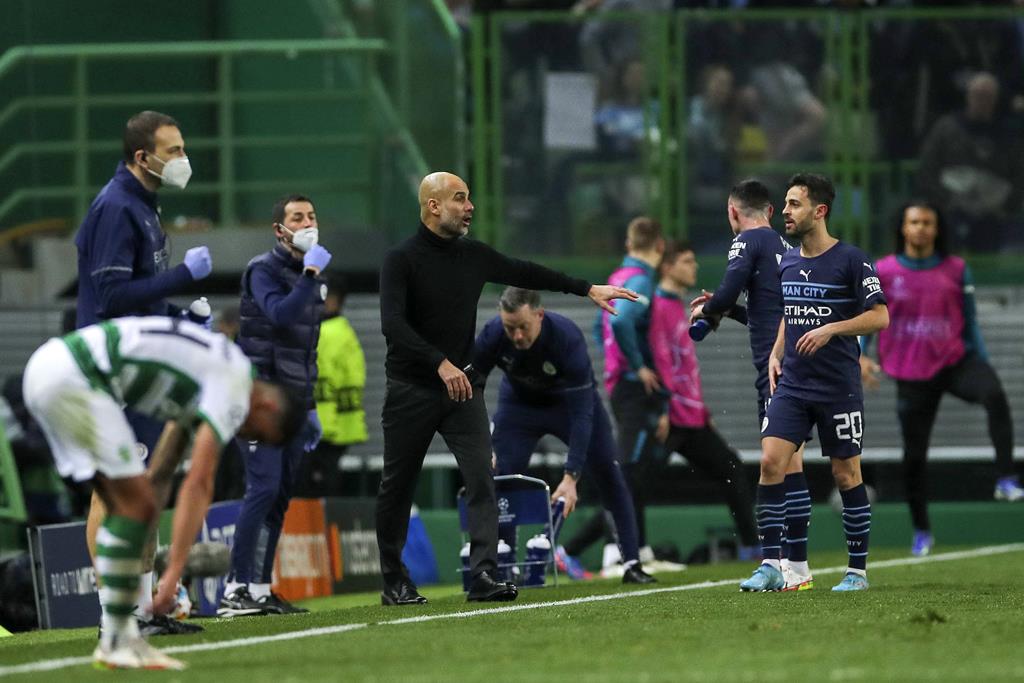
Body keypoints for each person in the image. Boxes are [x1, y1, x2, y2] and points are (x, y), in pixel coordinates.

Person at [377, 171, 636, 605]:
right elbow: (392, 325)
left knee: (484, 481)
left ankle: (482, 576)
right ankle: (394, 582)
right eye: (460, 198)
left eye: (469, 198)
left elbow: (526, 271)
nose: (470, 206)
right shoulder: (400, 260)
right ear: (433, 205)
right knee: (397, 486)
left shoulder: (473, 256)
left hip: (462, 393)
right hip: (411, 390)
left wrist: (586, 288)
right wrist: (439, 364)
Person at [22, 316, 306, 670]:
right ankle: (116, 635)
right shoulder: (234, 387)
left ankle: (121, 631)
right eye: (260, 433)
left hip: (55, 370)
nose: (248, 435)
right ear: (270, 407)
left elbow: (162, 474)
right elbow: (199, 483)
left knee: (130, 502)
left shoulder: (213, 374)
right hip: (74, 378)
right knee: (131, 504)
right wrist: (173, 576)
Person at [74, 109, 213, 635]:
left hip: (139, 364)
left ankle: (146, 607)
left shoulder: (142, 205)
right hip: (111, 367)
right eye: (173, 150)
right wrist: (180, 276)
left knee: (146, 485)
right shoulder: (115, 207)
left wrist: (179, 315)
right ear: (142, 157)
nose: (183, 159)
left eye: (181, 148)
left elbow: (133, 295)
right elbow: (109, 295)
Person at [738, 173, 888, 593]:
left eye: (793, 204)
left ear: (819, 211)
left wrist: (833, 329)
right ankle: (771, 564)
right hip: (794, 385)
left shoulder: (852, 260)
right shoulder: (787, 261)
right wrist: (775, 351)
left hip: (838, 386)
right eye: (785, 204)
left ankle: (856, 571)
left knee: (845, 473)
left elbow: (880, 316)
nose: (784, 212)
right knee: (770, 461)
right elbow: (791, 310)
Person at [860, 200, 1023, 557]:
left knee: (994, 395)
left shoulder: (956, 269)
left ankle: (1006, 479)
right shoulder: (883, 270)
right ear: (903, 228)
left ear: (936, 229)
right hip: (910, 371)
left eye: (927, 222)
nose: (920, 228)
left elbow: (970, 321)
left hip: (955, 361)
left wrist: (982, 361)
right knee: (914, 457)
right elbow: (869, 317)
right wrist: (861, 353)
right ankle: (921, 530)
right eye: (914, 222)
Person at [472, 287, 655, 585]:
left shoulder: (566, 338)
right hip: (519, 407)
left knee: (609, 473)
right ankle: (506, 565)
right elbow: (471, 386)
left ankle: (632, 563)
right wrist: (482, 442)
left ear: (539, 316)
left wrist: (571, 477)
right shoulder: (493, 334)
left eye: (523, 327)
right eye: (510, 328)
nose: (516, 336)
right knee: (503, 476)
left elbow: (583, 414)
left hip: (570, 407)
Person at [689, 179, 813, 589]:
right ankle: (798, 569)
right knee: (789, 464)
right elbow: (766, 312)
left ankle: (773, 563)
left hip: (776, 370)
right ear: (773, 211)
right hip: (796, 364)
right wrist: (725, 310)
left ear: (732, 212)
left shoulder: (747, 241)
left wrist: (710, 310)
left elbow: (727, 290)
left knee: (771, 464)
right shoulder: (785, 248)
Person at [219, 194, 331, 617]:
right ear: (278, 230)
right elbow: (280, 315)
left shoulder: (311, 277)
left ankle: (262, 589)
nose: (307, 223)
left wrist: (310, 405)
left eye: (312, 215)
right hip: (259, 402)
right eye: (297, 217)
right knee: (262, 489)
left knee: (280, 496)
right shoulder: (262, 271)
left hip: (295, 403)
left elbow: (307, 348)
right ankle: (235, 589)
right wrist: (310, 274)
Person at [559, 216, 664, 571]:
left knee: (638, 466)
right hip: (633, 386)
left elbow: (598, 324)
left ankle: (637, 548)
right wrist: (637, 365)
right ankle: (609, 548)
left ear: (627, 244)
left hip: (616, 382)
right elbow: (619, 322)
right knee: (629, 468)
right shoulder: (642, 280)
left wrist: (615, 361)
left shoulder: (617, 277)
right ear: (660, 247)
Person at [648, 241, 759, 556]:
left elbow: (684, 364)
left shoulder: (678, 305)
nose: (694, 267)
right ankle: (577, 550)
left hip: (691, 417)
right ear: (668, 267)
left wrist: (701, 407)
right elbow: (661, 361)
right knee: (636, 484)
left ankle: (752, 548)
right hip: (670, 415)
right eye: (687, 261)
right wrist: (662, 408)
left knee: (732, 468)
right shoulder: (657, 306)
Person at [916, 72, 1024, 252]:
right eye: (977, 95)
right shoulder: (946, 129)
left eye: (988, 96)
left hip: (992, 214)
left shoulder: (1008, 136)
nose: (982, 101)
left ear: (995, 100)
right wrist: (945, 199)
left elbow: (1019, 174)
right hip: (950, 210)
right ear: (968, 96)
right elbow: (927, 169)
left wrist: (1006, 204)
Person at [301, 273, 368, 497]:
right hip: (340, 425)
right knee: (326, 483)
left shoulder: (325, 334)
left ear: (330, 300)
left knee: (310, 488)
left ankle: (312, 532)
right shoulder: (344, 331)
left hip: (323, 426)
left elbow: (319, 380)